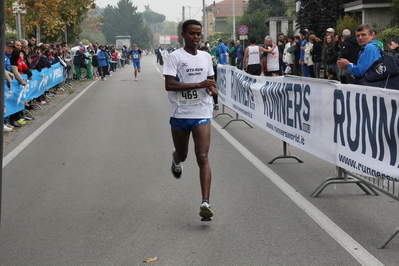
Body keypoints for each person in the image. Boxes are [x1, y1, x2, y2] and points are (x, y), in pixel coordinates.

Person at [162, 19, 218, 221]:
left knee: (202, 156)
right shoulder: (174, 57)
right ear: (184, 34)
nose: (196, 37)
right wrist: (199, 84)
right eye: (192, 33)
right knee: (184, 155)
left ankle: (205, 203)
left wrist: (211, 89)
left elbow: (211, 81)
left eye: (199, 34)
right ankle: (176, 158)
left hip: (202, 113)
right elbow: (170, 85)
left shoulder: (206, 56)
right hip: (180, 114)